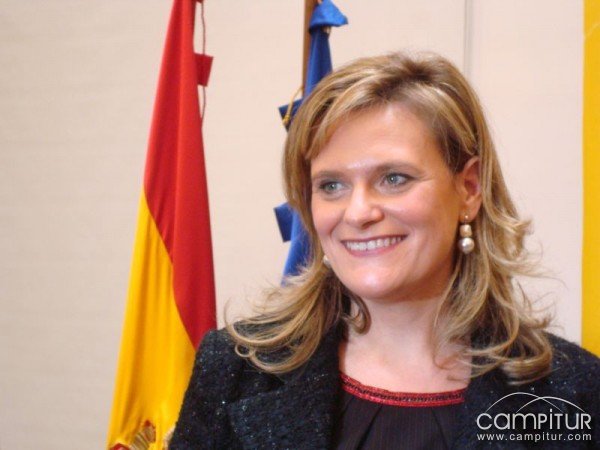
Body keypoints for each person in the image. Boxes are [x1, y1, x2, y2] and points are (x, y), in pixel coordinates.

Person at [170, 52, 600, 449]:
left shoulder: (574, 391)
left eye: (394, 178)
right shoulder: (236, 371)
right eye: (331, 185)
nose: (358, 213)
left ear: (469, 189)